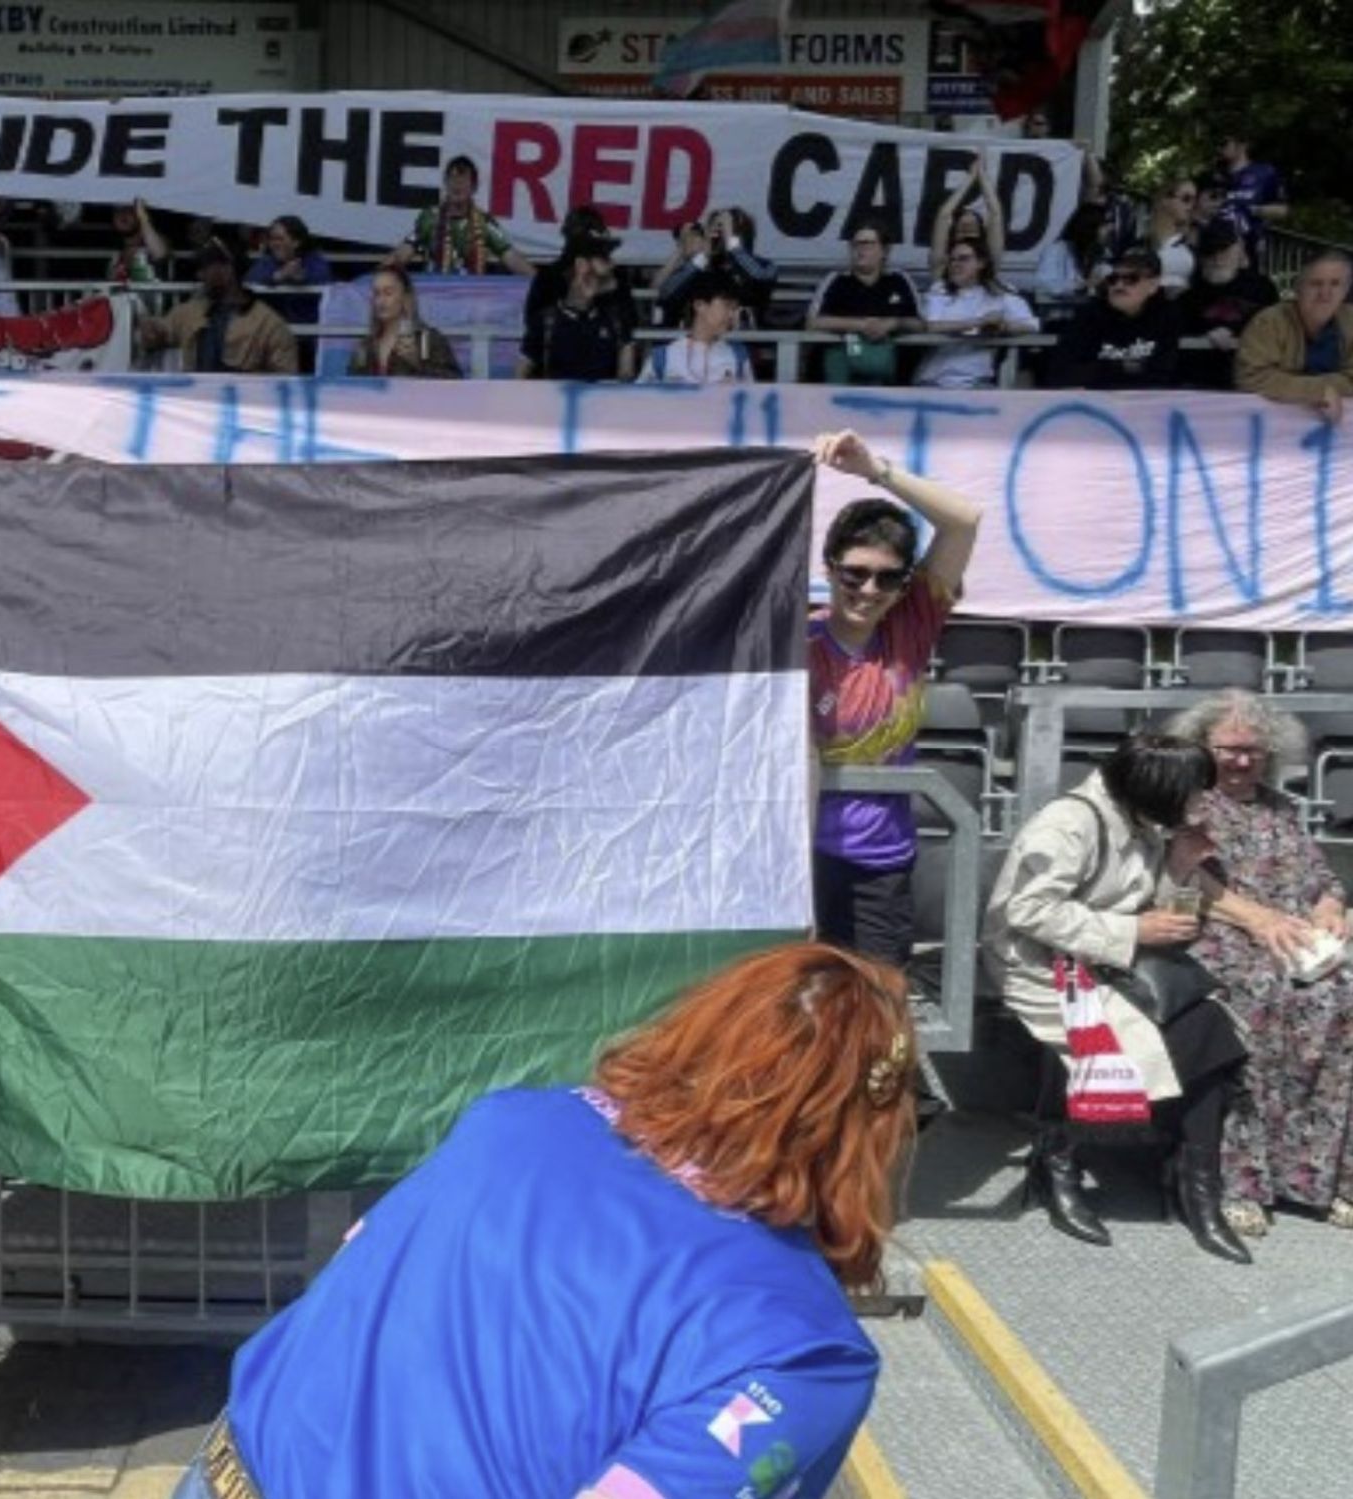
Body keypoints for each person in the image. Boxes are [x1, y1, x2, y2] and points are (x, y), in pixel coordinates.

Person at [169, 943, 918, 1499]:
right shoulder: (802, 1349)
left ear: (700, 1028)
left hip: (235, 1469)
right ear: (871, 1137)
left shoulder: (512, 1121)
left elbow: (357, 1271)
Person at [984, 734, 1254, 1263]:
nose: (1201, 803)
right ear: (1159, 788)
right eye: (1193, 792)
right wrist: (1130, 930)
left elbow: (1151, 903)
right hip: (1040, 963)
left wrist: (1177, 868)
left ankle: (1198, 1187)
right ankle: (1055, 1165)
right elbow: (1028, 912)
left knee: (1210, 1028)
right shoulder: (1070, 825)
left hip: (1108, 956)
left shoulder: (1146, 822)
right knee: (1098, 1032)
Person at [1163, 691, 1353, 1238]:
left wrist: (1329, 906)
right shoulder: (1189, 806)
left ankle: (1319, 1177)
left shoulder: (1281, 808)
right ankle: (1240, 1181)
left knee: (1341, 1003)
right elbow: (1190, 883)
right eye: (1230, 749)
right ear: (1202, 747)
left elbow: (1321, 878)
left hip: (1291, 940)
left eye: (1255, 751)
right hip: (1224, 939)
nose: (1244, 761)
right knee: (1261, 1006)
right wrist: (1257, 920)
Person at [809, 429, 981, 974]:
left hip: (879, 865)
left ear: (906, 584)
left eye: (887, 578)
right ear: (828, 569)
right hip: (794, 864)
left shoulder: (912, 626)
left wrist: (873, 470)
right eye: (853, 573)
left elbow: (964, 521)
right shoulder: (793, 640)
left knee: (875, 1027)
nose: (867, 589)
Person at [138, 237, 300, 375]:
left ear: (228, 269)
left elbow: (285, 379)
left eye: (205, 267)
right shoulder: (189, 312)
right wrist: (151, 329)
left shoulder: (269, 324)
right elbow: (160, 333)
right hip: (195, 404)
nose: (199, 275)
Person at [1237, 250, 1353, 422]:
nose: (1325, 294)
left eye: (1335, 284)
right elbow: (1250, 378)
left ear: (1346, 290)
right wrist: (1320, 391)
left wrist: (1296, 387)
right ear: (1298, 287)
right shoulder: (1269, 322)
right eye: (1316, 284)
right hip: (1274, 427)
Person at [1047, 245, 1182, 390]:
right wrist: (1122, 368)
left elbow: (1163, 375)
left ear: (1153, 285)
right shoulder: (1089, 315)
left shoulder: (1167, 315)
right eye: (1113, 279)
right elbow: (1060, 374)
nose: (1119, 285)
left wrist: (1107, 371)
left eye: (1131, 279)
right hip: (1097, 404)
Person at [805, 221, 922, 385]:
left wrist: (892, 324)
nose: (860, 249)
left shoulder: (899, 280)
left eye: (867, 243)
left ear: (885, 250)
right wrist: (860, 325)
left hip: (889, 369)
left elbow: (919, 324)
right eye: (855, 244)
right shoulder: (836, 280)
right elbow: (813, 323)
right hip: (841, 365)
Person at [914, 240, 1039, 390]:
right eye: (952, 260)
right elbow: (930, 325)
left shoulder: (1000, 293)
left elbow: (1031, 325)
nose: (955, 264)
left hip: (977, 382)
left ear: (981, 263)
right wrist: (978, 322)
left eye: (964, 259)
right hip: (933, 380)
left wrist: (1003, 326)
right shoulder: (940, 290)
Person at [517, 227, 638, 382]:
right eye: (603, 258)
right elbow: (519, 377)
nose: (612, 265)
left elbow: (626, 380)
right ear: (581, 265)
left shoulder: (617, 320)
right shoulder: (545, 322)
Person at [1176, 219, 1281, 389]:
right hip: (1201, 381)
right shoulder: (1189, 296)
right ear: (1201, 256)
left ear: (1238, 249)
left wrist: (1235, 331)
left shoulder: (1261, 287)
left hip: (1251, 377)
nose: (1217, 258)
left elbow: (1274, 324)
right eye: (1210, 252)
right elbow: (1179, 327)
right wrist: (1207, 332)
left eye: (1223, 250)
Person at [390, 155, 533, 277]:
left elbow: (512, 258)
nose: (457, 185)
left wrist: (541, 284)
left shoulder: (484, 222)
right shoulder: (430, 218)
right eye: (452, 179)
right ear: (445, 184)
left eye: (463, 180)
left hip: (472, 300)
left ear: (474, 187)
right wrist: (378, 277)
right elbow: (402, 254)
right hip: (435, 298)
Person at [638, 268, 751, 386]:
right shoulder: (663, 357)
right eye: (727, 306)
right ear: (699, 305)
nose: (732, 315)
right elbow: (638, 401)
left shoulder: (739, 356)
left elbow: (752, 401)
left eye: (734, 308)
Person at [345, 266, 460, 378]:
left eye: (388, 293)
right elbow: (352, 386)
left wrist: (417, 363)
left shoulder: (429, 340)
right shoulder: (365, 346)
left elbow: (453, 384)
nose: (381, 301)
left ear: (406, 298)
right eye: (377, 294)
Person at [243, 214, 333, 332]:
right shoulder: (267, 260)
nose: (274, 244)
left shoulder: (314, 259)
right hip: (274, 333)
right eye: (272, 239)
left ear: (296, 242)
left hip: (308, 333)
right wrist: (278, 276)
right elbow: (249, 280)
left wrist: (302, 278)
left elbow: (325, 280)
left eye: (279, 239)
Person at [926, 152, 1006, 282]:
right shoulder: (942, 263)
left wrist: (982, 175)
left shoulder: (989, 261)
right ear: (953, 233)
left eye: (972, 227)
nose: (967, 230)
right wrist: (971, 177)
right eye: (963, 227)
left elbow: (995, 213)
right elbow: (944, 215)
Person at [1216, 132, 1288, 264]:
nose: (1219, 148)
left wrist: (1254, 210)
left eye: (1224, 143)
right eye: (1217, 144)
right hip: (1215, 250)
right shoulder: (1214, 176)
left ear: (1243, 145)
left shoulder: (1265, 172)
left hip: (1250, 249)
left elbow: (1282, 210)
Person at [1029, 202, 1112, 315]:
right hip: (1060, 318)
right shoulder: (1057, 251)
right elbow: (1042, 284)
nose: (1110, 229)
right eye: (1105, 224)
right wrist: (1081, 285)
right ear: (1091, 226)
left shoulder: (1103, 253)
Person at [647, 216, 708, 324]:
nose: (691, 241)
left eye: (695, 235)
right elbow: (655, 286)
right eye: (685, 238)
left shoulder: (712, 264)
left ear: (703, 240)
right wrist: (680, 250)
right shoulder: (676, 269)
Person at [107, 199, 171, 285]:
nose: (122, 215)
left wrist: (142, 217)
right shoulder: (116, 255)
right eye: (117, 212)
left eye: (129, 210)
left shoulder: (154, 241)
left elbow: (160, 253)